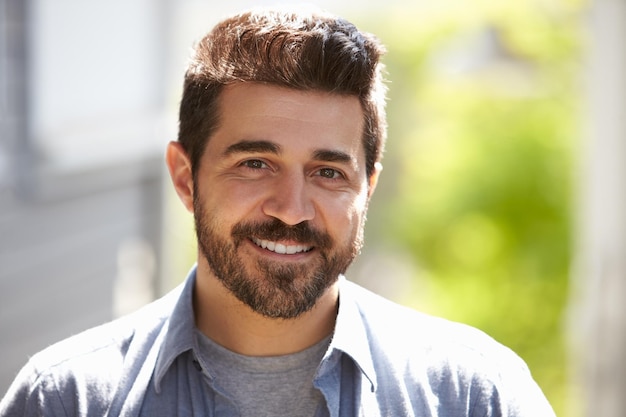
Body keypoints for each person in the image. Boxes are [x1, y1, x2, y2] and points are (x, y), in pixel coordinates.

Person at [0, 6, 556, 417]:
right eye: (255, 164)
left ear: (368, 191)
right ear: (185, 178)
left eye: (329, 173)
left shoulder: (476, 395)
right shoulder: (63, 399)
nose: (292, 211)